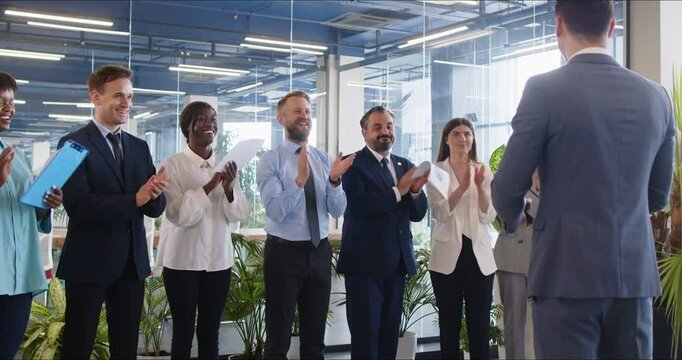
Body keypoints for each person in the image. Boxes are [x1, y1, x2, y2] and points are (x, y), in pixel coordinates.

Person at [491, 1, 676, 358]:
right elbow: (656, 197)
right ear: (612, 27)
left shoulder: (543, 90)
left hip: (565, 275)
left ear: (558, 25)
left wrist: (516, 218)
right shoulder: (657, 97)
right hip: (633, 279)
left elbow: (507, 186)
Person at [58, 64, 169, 359]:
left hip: (131, 266)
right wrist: (135, 198)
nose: (127, 103)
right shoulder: (72, 144)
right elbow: (79, 205)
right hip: (88, 263)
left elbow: (153, 207)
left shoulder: (139, 147)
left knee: (126, 347)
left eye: (130, 97)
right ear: (95, 96)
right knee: (78, 345)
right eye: (119, 95)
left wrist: (157, 194)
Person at [256, 90, 355, 359]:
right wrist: (299, 182)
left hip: (319, 251)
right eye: (298, 111)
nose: (305, 116)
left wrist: (334, 181)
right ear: (281, 118)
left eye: (308, 111)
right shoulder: (270, 161)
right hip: (284, 255)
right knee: (278, 339)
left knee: (314, 340)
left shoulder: (323, 159)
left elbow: (337, 209)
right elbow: (275, 211)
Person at [156, 101, 251, 359]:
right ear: (187, 127)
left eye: (213, 118)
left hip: (219, 262)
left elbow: (239, 214)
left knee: (210, 331)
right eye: (201, 118)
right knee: (183, 331)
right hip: (182, 264)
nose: (209, 123)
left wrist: (229, 189)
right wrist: (209, 187)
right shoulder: (171, 165)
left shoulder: (227, 165)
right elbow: (178, 214)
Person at [337, 106, 428, 359]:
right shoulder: (353, 165)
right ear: (364, 133)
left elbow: (417, 214)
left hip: (397, 265)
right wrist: (399, 191)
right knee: (366, 339)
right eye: (377, 127)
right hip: (365, 267)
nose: (385, 132)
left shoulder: (404, 164)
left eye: (389, 126)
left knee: (389, 338)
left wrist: (416, 192)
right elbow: (359, 206)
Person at [0, 71, 63, 359]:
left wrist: (47, 204)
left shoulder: (18, 156)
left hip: (19, 277)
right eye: (1, 102)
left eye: (11, 103)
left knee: (8, 351)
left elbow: (30, 216)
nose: (8, 110)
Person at [426, 118, 496, 360]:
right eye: (456, 133)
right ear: (446, 139)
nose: (463, 138)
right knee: (449, 325)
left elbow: (488, 217)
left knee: (479, 326)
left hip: (479, 257)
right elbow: (440, 213)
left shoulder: (483, 169)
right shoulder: (436, 171)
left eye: (467, 133)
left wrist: (479, 188)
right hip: (447, 258)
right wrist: (463, 186)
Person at [493, 171, 540, 360]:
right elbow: (507, 203)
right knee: (514, 327)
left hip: (548, 260)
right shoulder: (511, 174)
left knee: (550, 327)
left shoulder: (561, 171)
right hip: (513, 259)